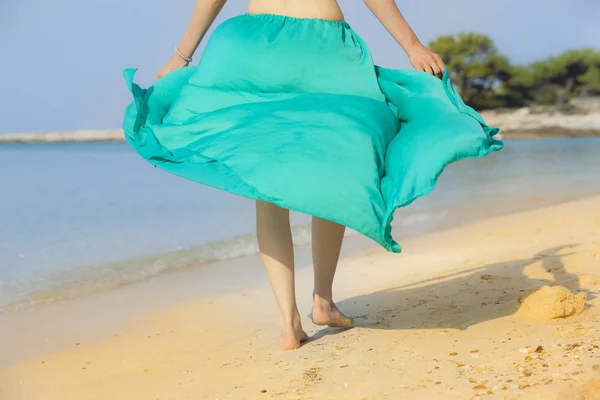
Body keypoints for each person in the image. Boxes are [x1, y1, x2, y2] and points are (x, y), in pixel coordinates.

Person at [123, 0, 503, 350]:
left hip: (252, 44)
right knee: (335, 164)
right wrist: (412, 44)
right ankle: (322, 300)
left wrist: (181, 55)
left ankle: (288, 323)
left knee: (267, 179)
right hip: (321, 49)